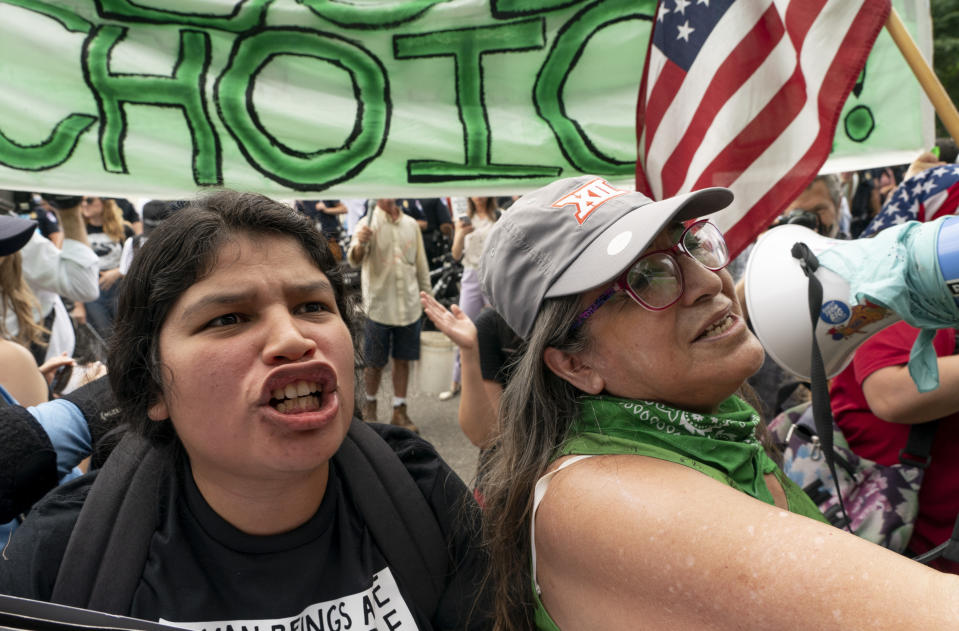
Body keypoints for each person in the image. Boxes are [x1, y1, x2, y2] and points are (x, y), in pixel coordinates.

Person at [476, 175, 959, 630]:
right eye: (645, 278)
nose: (709, 281)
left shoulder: (714, 426)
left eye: (691, 243)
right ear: (575, 366)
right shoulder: (604, 496)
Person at [0, 191, 488, 630]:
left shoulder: (422, 491)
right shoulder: (64, 554)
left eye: (313, 306)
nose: (294, 340)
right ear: (153, 388)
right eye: (228, 318)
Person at [347, 198, 431, 432]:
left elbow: (421, 265)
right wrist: (360, 244)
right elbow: (354, 259)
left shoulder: (411, 224)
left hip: (409, 304)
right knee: (373, 363)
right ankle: (370, 408)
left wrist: (428, 299)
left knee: (403, 360)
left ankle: (399, 410)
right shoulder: (366, 223)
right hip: (379, 307)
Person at [1, 194, 99, 364]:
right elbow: (83, 286)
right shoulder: (12, 237)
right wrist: (68, 210)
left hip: (38, 358)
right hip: (33, 364)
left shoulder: (13, 235)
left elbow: (82, 286)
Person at [439, 196, 500, 401]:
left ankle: (497, 382)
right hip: (471, 274)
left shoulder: (500, 215)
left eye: (482, 192)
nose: (479, 196)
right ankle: (456, 381)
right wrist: (460, 233)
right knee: (463, 325)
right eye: (475, 192)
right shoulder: (464, 219)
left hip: (493, 274)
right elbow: (455, 254)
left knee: (497, 328)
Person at [72, 196, 134, 338]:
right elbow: (76, 269)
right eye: (81, 200)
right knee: (104, 337)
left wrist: (118, 272)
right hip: (92, 290)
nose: (84, 204)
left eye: (89, 200)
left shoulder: (124, 229)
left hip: (121, 288)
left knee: (126, 334)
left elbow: (137, 261)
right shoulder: (80, 230)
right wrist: (78, 305)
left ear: (104, 202)